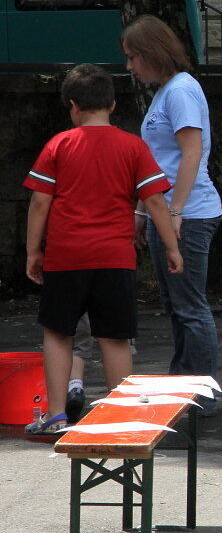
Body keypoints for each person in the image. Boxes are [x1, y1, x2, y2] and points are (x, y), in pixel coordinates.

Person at [23, 64, 181, 435]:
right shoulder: (133, 146)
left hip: (66, 256)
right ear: (112, 105)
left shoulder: (58, 145)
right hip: (115, 257)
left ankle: (57, 414)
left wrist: (33, 251)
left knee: (58, 333)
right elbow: (156, 201)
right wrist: (172, 247)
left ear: (73, 106)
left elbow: (39, 202)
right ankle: (120, 417)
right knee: (114, 337)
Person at [123, 15, 222, 413]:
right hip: (167, 212)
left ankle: (199, 398)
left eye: (133, 57)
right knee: (178, 307)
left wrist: (176, 212)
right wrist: (142, 212)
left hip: (190, 213)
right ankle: (183, 388)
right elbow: (155, 162)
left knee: (190, 307)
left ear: (151, 53)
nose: (129, 66)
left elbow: (191, 153)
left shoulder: (180, 90)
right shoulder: (167, 91)